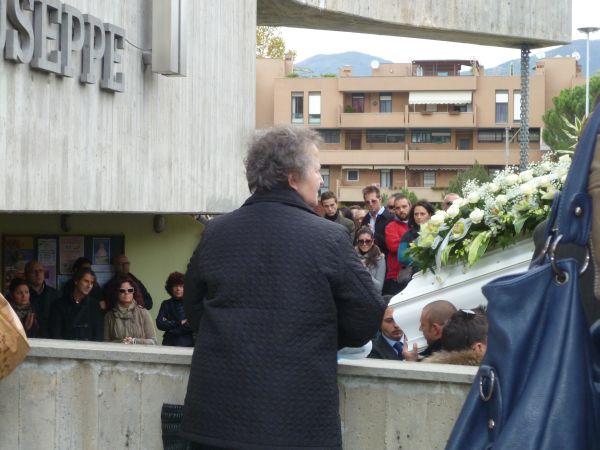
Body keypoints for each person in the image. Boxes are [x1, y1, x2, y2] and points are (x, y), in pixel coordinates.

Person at [181, 126, 386, 450]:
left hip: (216, 419)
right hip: (296, 421)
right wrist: (315, 337)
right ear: (293, 177)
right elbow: (367, 313)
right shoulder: (328, 237)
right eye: (317, 171)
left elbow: (194, 309)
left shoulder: (216, 231)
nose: (321, 181)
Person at [49, 268, 104, 341]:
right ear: (76, 281)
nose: (89, 286)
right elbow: (56, 334)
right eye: (86, 281)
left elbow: (98, 334)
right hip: (66, 346)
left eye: (92, 283)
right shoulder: (59, 304)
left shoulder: (95, 305)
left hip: (88, 347)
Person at [104, 276, 157, 345]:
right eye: (122, 290)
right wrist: (121, 342)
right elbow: (105, 343)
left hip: (139, 352)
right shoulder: (109, 316)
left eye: (130, 290)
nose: (126, 292)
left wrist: (135, 341)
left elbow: (154, 342)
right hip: (118, 352)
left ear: (134, 292)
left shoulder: (144, 313)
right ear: (116, 293)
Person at [397, 200, 436, 285]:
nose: (419, 217)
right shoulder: (408, 235)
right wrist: (424, 261)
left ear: (430, 215)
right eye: (416, 214)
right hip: (417, 276)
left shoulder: (437, 231)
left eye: (422, 214)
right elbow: (401, 257)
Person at [383, 194, 412, 295]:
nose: (401, 210)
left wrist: (404, 243)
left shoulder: (417, 225)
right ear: (394, 210)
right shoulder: (390, 227)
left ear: (410, 206)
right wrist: (416, 244)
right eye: (398, 208)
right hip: (397, 277)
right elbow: (394, 247)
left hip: (417, 274)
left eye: (404, 206)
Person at [156, 271, 194, 347]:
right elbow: (159, 323)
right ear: (170, 288)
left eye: (181, 286)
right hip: (168, 343)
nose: (178, 289)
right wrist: (179, 322)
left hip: (187, 344)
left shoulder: (192, 304)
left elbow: (193, 325)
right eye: (175, 286)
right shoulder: (166, 304)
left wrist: (170, 328)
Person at [24, 260, 57, 338]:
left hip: (51, 339)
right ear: (26, 274)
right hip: (28, 339)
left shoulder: (55, 294)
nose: (38, 274)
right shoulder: (20, 294)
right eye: (34, 271)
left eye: (41, 271)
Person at [360, 185, 394, 255]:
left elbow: (391, 244)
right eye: (367, 202)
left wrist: (374, 233)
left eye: (373, 201)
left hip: (385, 258)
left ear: (380, 199)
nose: (371, 204)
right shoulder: (365, 219)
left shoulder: (391, 218)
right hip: (368, 258)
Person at [355, 226, 386, 293]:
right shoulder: (352, 257)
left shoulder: (380, 258)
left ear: (372, 241)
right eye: (361, 241)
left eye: (368, 241)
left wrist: (364, 270)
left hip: (372, 296)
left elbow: (379, 288)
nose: (364, 244)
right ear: (357, 241)